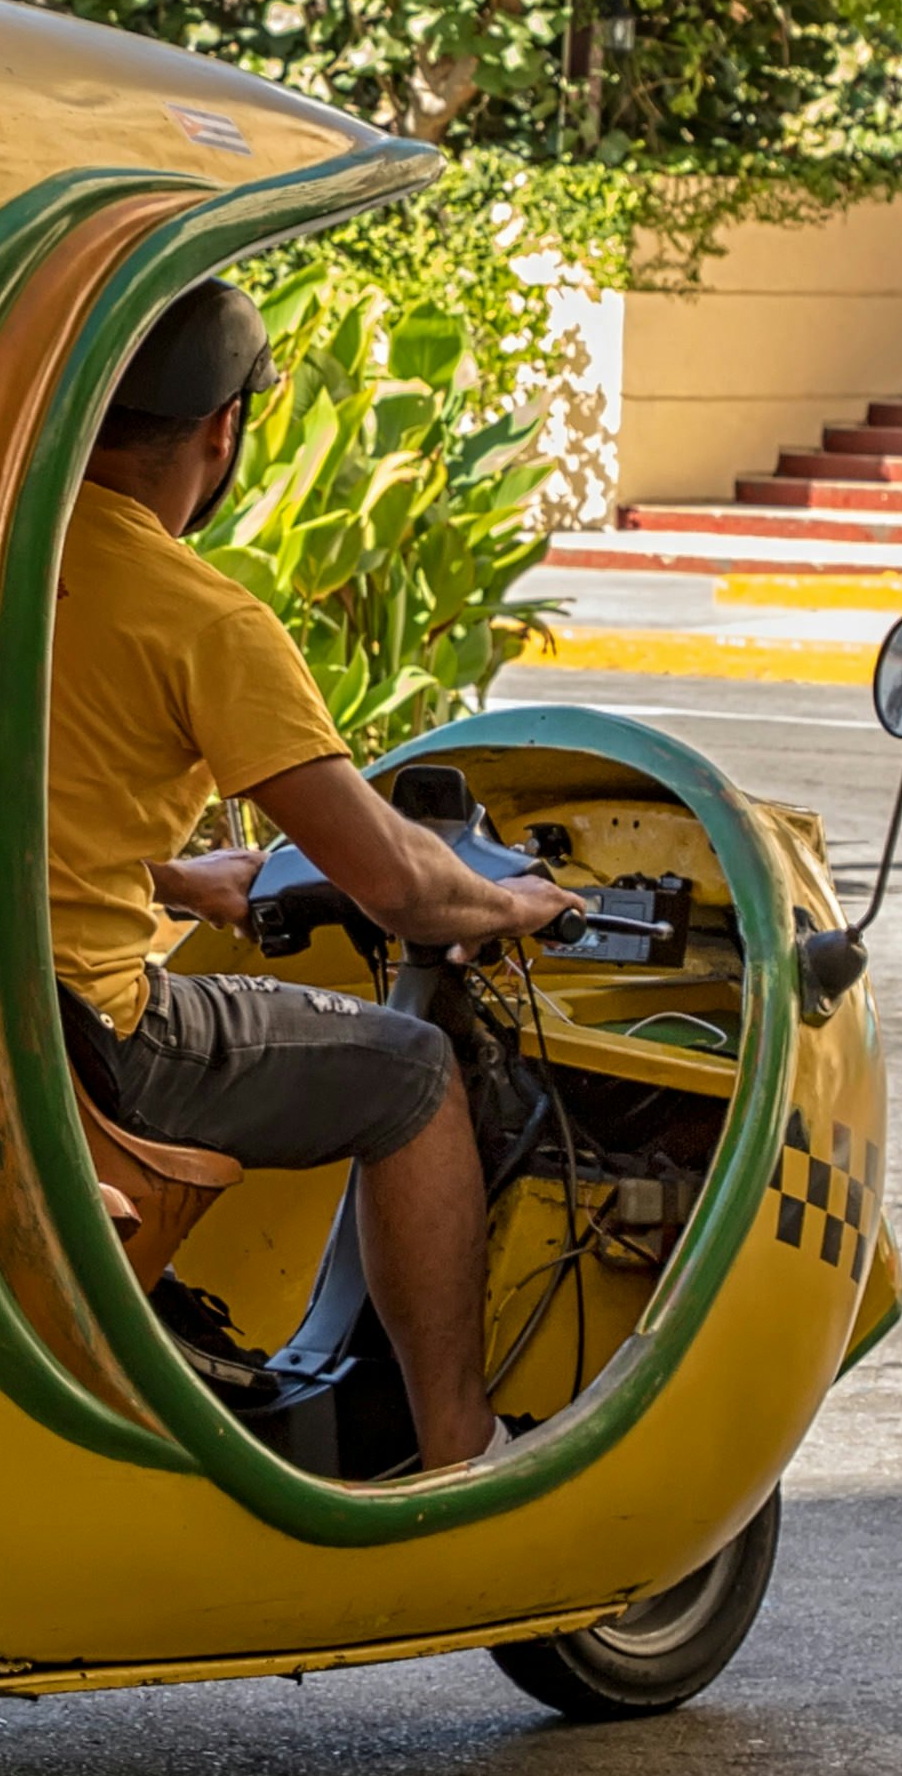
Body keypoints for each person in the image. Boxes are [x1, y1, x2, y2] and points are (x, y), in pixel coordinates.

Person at [44, 277, 582, 1476]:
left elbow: (1, 809)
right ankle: (457, 1439)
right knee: (412, 1071)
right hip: (100, 1032)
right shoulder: (200, 616)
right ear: (224, 431)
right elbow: (396, 883)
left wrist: (183, 880)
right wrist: (509, 902)